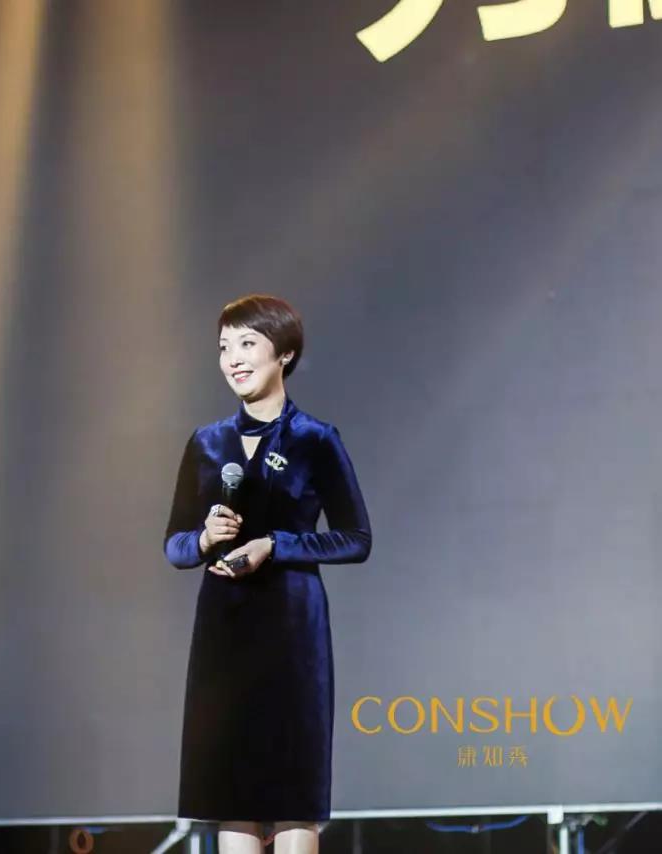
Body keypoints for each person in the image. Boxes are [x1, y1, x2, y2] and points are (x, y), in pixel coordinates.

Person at [163, 294, 372, 854]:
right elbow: (175, 546)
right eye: (223, 347)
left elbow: (355, 538)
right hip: (224, 633)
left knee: (290, 792)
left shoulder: (316, 439)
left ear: (285, 353)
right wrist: (204, 539)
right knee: (232, 794)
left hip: (292, 632)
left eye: (247, 343)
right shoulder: (206, 443)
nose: (233, 358)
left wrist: (274, 545)